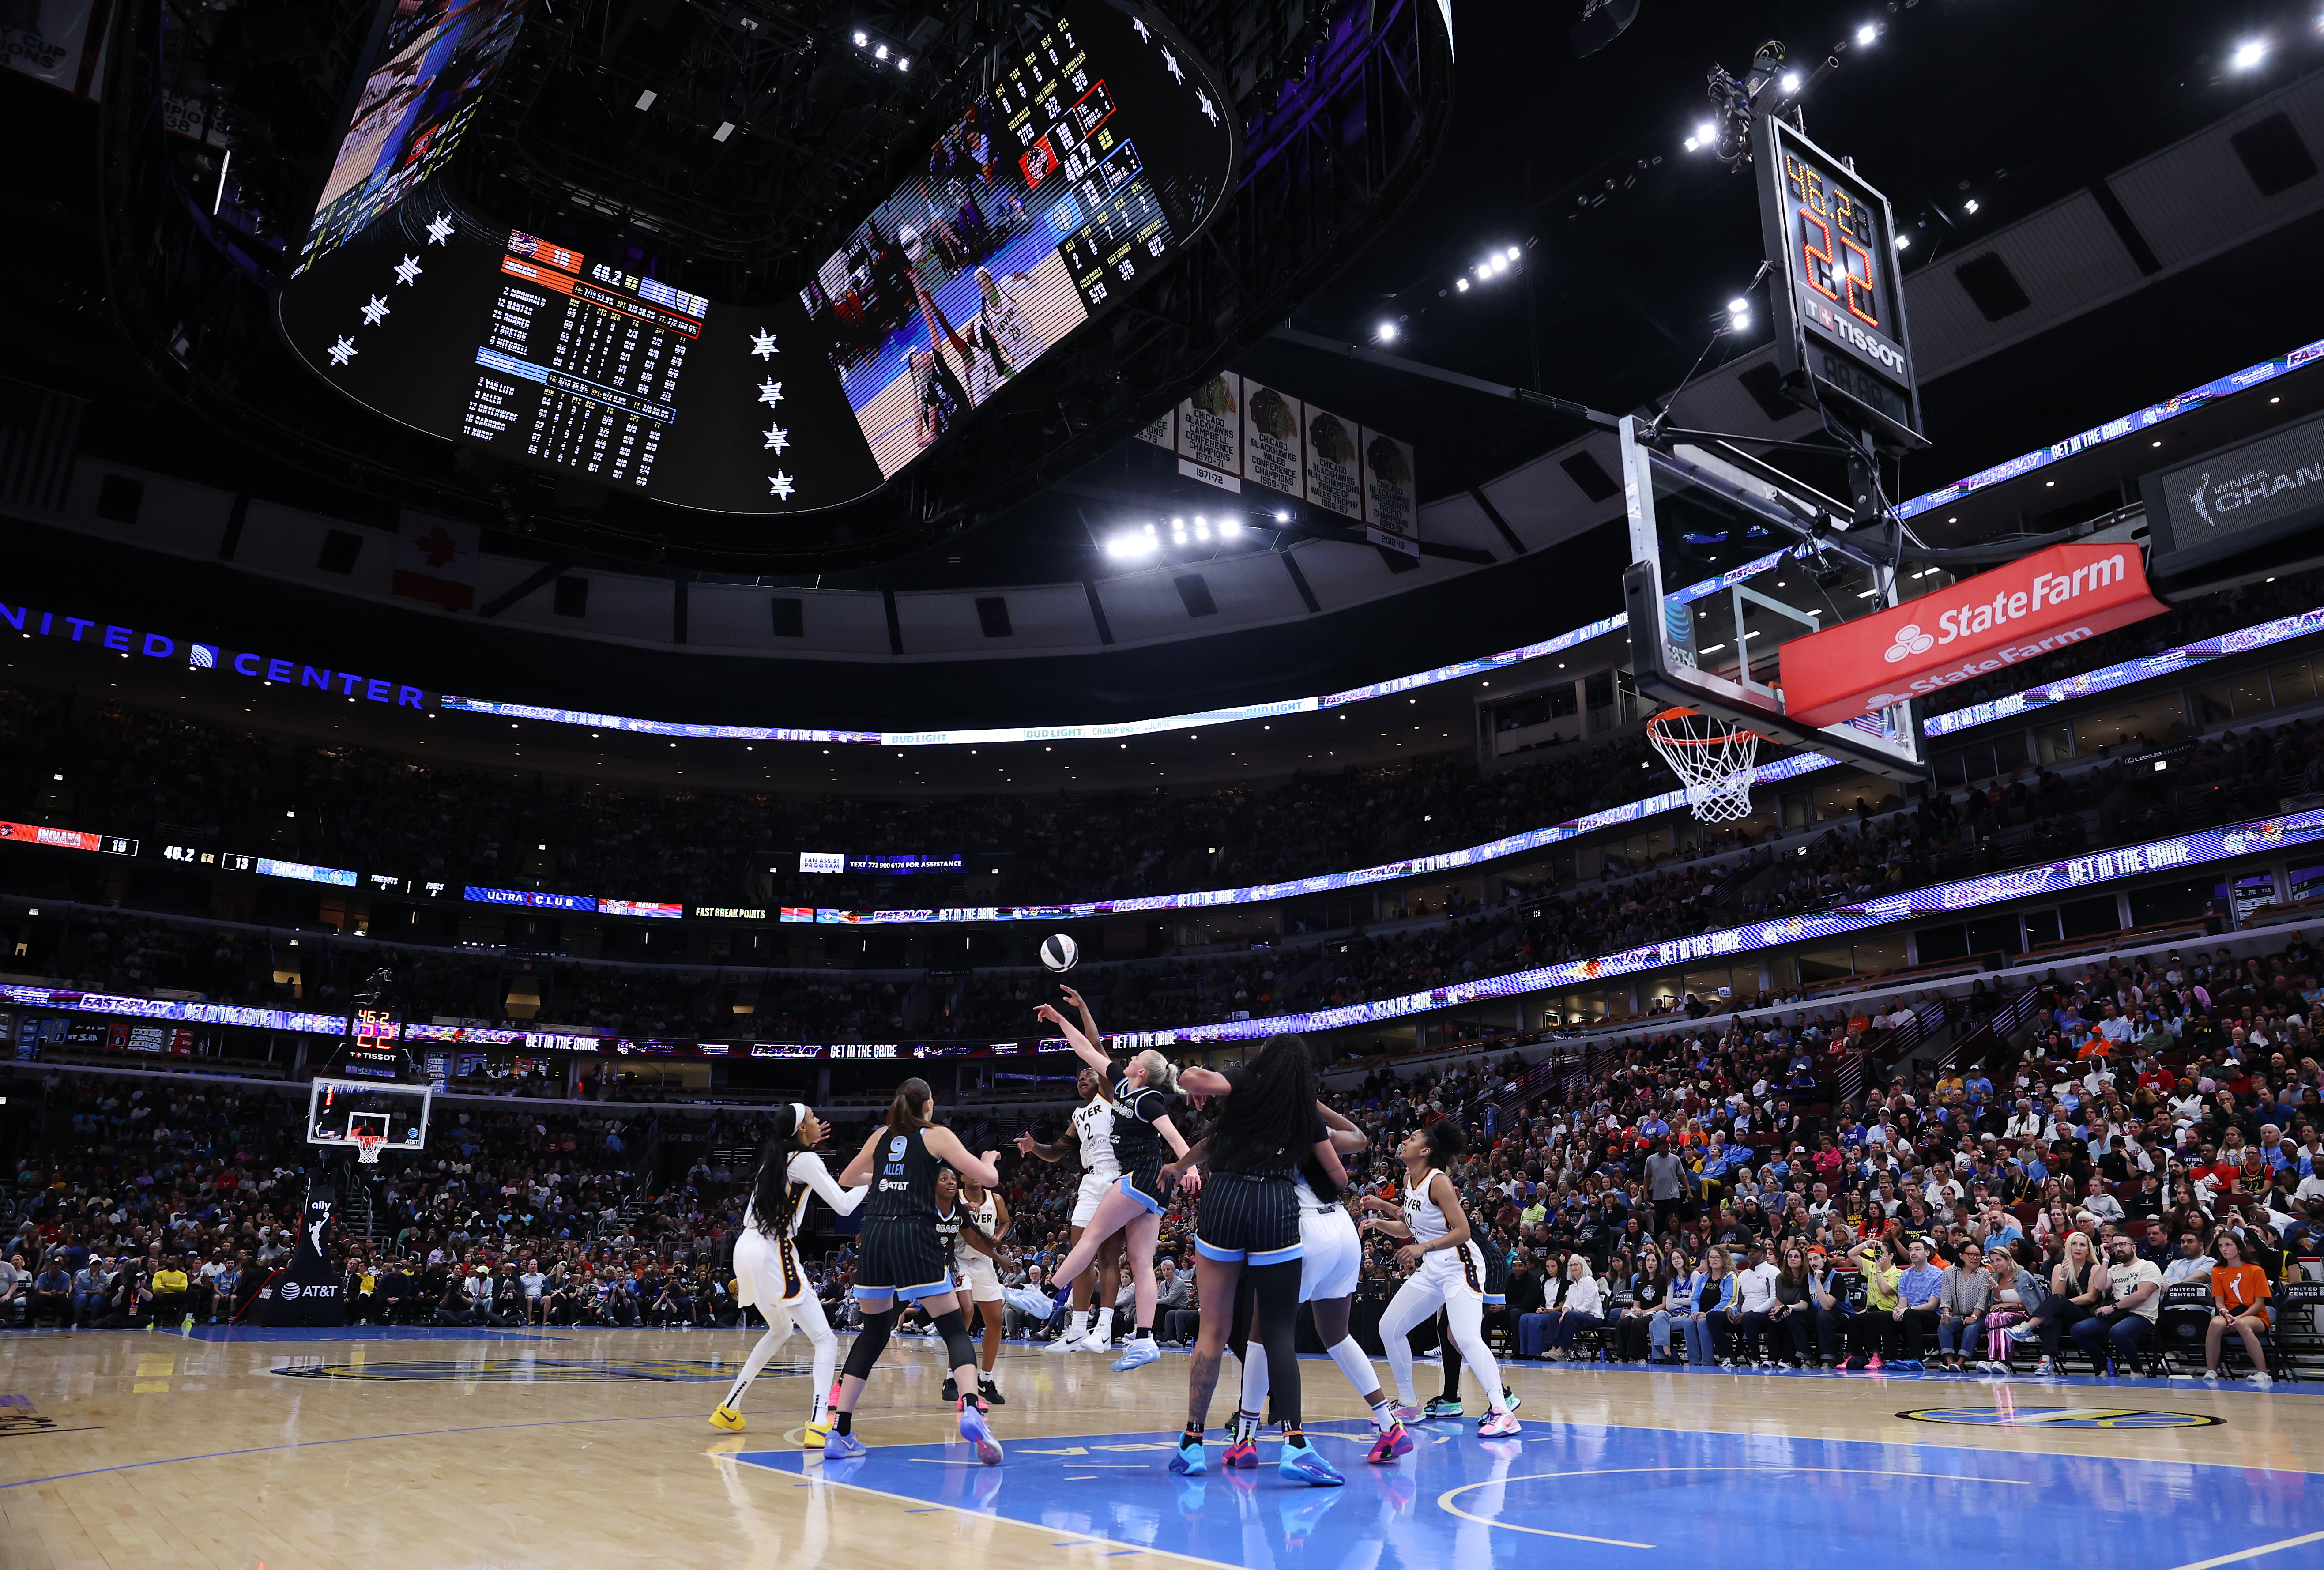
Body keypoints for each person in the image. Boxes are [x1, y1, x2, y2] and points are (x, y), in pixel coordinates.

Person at [1198, 1099, 1411, 1467]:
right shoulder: (1309, 1124)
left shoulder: (1263, 1123)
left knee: (1262, 1333)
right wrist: (1312, 1100)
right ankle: (1389, 1424)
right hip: (1342, 1229)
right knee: (1337, 1334)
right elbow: (1359, 1138)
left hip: (1302, 1229)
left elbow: (1213, 1146)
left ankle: (1246, 1437)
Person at [823, 1079, 1005, 1464]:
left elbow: (847, 1178)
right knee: (953, 1326)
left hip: (874, 1234)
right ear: (929, 1104)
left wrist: (893, 1178)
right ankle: (971, 1406)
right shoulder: (935, 1135)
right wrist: (988, 1161)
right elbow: (988, 1180)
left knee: (873, 1334)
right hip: (914, 1234)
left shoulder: (881, 1136)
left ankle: (840, 1432)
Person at [1036, 998, 1191, 1372]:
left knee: (1091, 1237)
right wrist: (1059, 1018)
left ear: (1142, 1071)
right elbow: (1085, 1047)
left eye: (1139, 1056)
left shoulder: (1149, 1100)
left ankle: (1045, 1296)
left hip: (1141, 1177)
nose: (1133, 1057)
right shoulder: (1122, 1083)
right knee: (1140, 1263)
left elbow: (1176, 1139)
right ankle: (1145, 1339)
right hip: (1152, 1187)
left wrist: (1190, 1168)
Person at [710, 1103, 868, 1443]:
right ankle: (817, 1422)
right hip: (772, 1250)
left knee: (780, 1329)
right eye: (812, 1118)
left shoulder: (778, 1159)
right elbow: (843, 1205)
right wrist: (879, 1182)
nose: (819, 1121)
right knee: (825, 1339)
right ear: (799, 1129)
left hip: (746, 1248)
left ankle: (729, 1406)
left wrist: (812, 1143)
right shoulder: (806, 1161)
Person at [1357, 1120, 1520, 1436]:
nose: (1406, 1140)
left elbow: (1462, 1231)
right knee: (1389, 1327)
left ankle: (1502, 1410)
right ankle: (1408, 1404)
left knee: (1464, 1336)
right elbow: (1409, 1226)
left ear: (1426, 1151)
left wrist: (1421, 1248)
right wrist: (1378, 1217)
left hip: (1461, 1264)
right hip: (1433, 1266)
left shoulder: (1439, 1181)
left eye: (1413, 1137)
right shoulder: (1408, 1178)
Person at [1016, 1006, 1130, 1356]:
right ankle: (1077, 1329)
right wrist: (1036, 1147)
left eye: (1087, 1074)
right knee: (1080, 1254)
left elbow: (1093, 1043)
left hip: (1116, 1177)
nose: (1082, 1078)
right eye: (1078, 1077)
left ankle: (1105, 1328)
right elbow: (1059, 1151)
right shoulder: (1079, 1114)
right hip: (1090, 1181)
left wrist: (1080, 1007)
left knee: (1109, 1256)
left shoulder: (1111, 1093)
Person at [949, 1169, 1015, 1405]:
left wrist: (999, 1235)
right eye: (970, 1172)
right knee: (966, 1312)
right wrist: (999, 1256)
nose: (976, 1175)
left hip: (985, 1261)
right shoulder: (954, 1196)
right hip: (958, 1260)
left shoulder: (995, 1199)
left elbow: (1006, 1221)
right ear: (962, 1178)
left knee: (996, 1322)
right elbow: (971, 1237)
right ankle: (952, 1377)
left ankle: (985, 1380)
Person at [2010, 1230, 2108, 1378]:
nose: (2078, 1248)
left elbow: (2091, 1297)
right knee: (2052, 1317)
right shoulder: (2059, 1268)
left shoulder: (2094, 1267)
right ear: (2068, 1247)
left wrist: (2064, 1303)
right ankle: (2047, 1360)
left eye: (2083, 1245)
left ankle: (2026, 1328)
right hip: (2064, 1317)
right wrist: (2063, 1277)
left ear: (2088, 1249)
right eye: (2074, 1244)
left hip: (2085, 1315)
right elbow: (2058, 1294)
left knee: (2055, 1304)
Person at [2072, 1234, 2160, 1375]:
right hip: (2118, 1315)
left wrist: (2113, 1307)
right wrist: (2106, 1260)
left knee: (2118, 1332)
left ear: (2134, 1248)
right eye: (2115, 1246)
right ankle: (2105, 1366)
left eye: (2122, 1245)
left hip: (2142, 1315)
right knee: (2079, 1330)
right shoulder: (2115, 1269)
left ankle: (2138, 1370)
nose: (2118, 1249)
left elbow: (2143, 1295)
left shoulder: (2148, 1266)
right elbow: (2099, 1286)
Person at [2203, 1231, 2274, 1386]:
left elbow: (2259, 1304)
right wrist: (2225, 1314)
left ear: (2239, 1248)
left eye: (2228, 1245)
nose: (2224, 1249)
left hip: (2255, 1315)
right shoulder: (2217, 1271)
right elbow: (2219, 1302)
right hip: (2230, 1314)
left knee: (2242, 1324)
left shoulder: (2256, 1270)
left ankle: (2263, 1373)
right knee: (2215, 1323)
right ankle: (2211, 1371)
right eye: (2221, 1246)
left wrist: (2240, 1318)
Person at [1934, 1240, 1994, 1372]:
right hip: (1957, 1315)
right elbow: (1945, 1298)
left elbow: (1982, 1300)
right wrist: (1946, 1314)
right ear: (1961, 1255)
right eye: (1971, 1255)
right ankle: (1950, 1363)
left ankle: (1960, 1363)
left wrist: (1974, 1316)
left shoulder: (1984, 1273)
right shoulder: (1950, 1272)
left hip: (1979, 1317)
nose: (1975, 1258)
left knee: (1972, 1328)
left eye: (1978, 1255)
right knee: (1945, 1325)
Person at [1614, 1246, 1674, 1363]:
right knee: (1622, 1322)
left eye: (1653, 1261)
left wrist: (1645, 1312)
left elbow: (1664, 1305)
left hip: (1656, 1313)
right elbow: (1636, 1304)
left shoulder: (1663, 1280)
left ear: (1658, 1264)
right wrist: (1637, 1310)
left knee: (1638, 1323)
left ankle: (1640, 1357)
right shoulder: (1639, 1281)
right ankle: (1623, 1356)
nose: (1650, 1263)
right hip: (1641, 1313)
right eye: (1648, 1260)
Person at [1540, 1255, 1604, 1360]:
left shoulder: (1589, 1281)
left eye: (1576, 1265)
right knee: (1555, 1315)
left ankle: (1561, 1351)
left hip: (1594, 1317)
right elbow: (1568, 1304)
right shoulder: (1572, 1286)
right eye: (1571, 1265)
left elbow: (1588, 1305)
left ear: (1582, 1267)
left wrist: (1571, 1314)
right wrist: (1565, 1312)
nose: (1573, 1267)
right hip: (1576, 1317)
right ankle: (1553, 1348)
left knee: (1570, 1315)